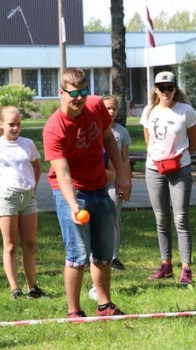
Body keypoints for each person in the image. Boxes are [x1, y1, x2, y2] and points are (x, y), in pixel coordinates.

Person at [43, 68, 131, 318]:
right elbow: (63, 173)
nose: (79, 98)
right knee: (77, 254)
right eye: (73, 94)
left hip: (99, 186)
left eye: (83, 92)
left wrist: (121, 174)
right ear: (62, 92)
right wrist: (73, 204)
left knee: (103, 251)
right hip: (72, 191)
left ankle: (105, 305)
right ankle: (74, 311)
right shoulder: (54, 129)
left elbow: (108, 138)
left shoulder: (95, 105)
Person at [0, 106, 46, 300]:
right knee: (10, 245)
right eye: (11, 124)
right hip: (8, 198)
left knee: (29, 243)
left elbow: (37, 166)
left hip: (28, 197)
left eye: (18, 124)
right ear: (1, 124)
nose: (15, 128)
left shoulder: (28, 144)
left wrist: (33, 186)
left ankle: (33, 288)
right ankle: (15, 289)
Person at [141, 71, 196, 284]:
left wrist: (178, 157)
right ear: (155, 89)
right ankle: (166, 265)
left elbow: (194, 143)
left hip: (179, 168)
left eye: (169, 88)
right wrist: (160, 158)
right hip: (153, 169)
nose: (166, 92)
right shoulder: (149, 111)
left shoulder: (186, 111)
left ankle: (186, 268)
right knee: (161, 218)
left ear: (175, 88)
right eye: (161, 88)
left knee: (181, 218)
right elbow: (149, 141)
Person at [102, 95, 132, 271]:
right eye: (107, 108)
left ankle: (114, 257)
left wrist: (126, 181)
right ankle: (94, 255)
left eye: (114, 108)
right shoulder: (95, 128)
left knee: (114, 217)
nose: (111, 111)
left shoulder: (122, 132)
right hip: (97, 179)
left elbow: (125, 159)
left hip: (114, 180)